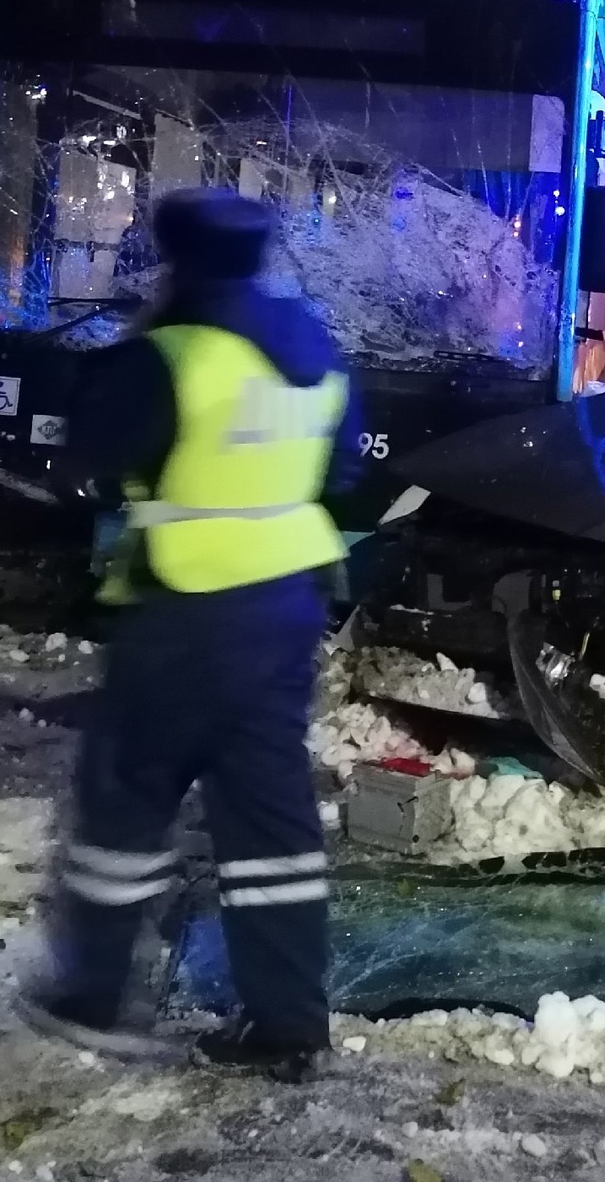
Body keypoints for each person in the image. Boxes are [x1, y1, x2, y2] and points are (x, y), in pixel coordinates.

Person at [19, 188, 357, 1081]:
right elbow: (347, 464)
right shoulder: (312, 348)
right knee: (272, 820)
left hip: (186, 609)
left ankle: (93, 998)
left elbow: (84, 458)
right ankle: (290, 1029)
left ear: (177, 260)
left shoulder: (167, 355)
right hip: (287, 609)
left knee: (126, 797)